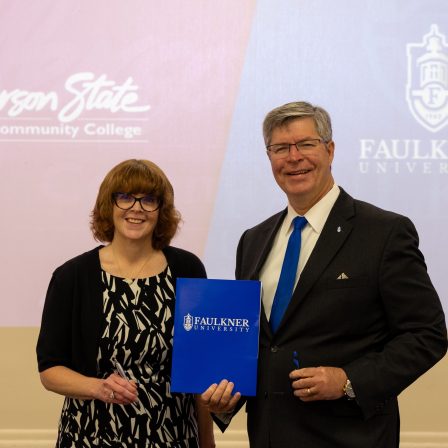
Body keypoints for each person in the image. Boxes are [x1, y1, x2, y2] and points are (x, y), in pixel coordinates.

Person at [202, 101, 448, 447]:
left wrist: (349, 380)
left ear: (329, 150)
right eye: (281, 148)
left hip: (350, 438)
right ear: (269, 157)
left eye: (305, 144)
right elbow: (263, 346)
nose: (294, 157)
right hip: (270, 436)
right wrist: (228, 395)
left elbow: (427, 335)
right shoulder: (253, 240)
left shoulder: (383, 232)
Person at [37, 159, 215, 448]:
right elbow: (49, 370)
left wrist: (207, 441)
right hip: (90, 436)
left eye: (148, 200)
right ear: (109, 205)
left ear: (161, 210)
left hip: (173, 436)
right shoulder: (72, 276)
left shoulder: (188, 269)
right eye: (125, 197)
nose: (136, 208)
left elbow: (200, 367)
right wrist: (97, 387)